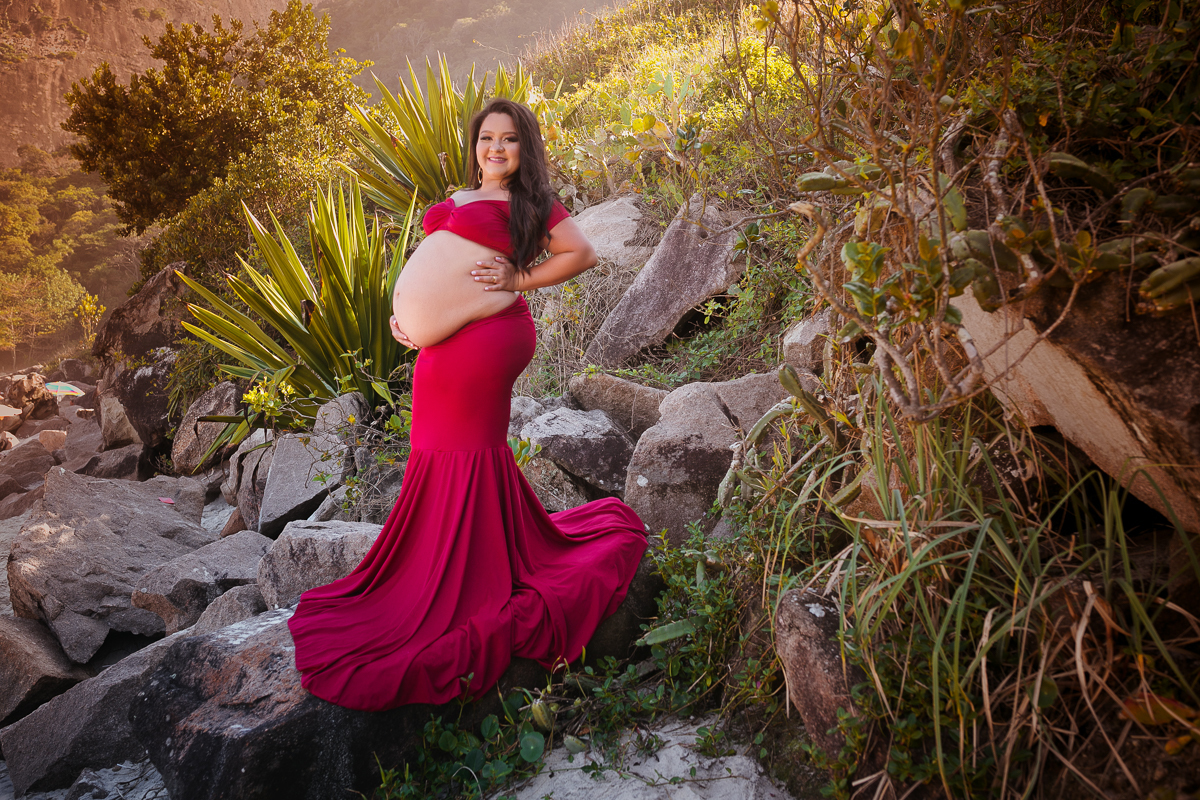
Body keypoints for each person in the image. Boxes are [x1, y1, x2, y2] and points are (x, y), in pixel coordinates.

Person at [287, 98, 649, 711]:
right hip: (450, 341)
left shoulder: (534, 204)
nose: (496, 149)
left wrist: (517, 281)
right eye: (487, 138)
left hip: (489, 336)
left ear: (523, 147)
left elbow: (580, 253)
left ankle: (462, 580)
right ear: (475, 144)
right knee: (441, 447)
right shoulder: (463, 194)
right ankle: (470, 557)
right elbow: (442, 275)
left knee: (460, 450)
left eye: (509, 139)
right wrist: (415, 324)